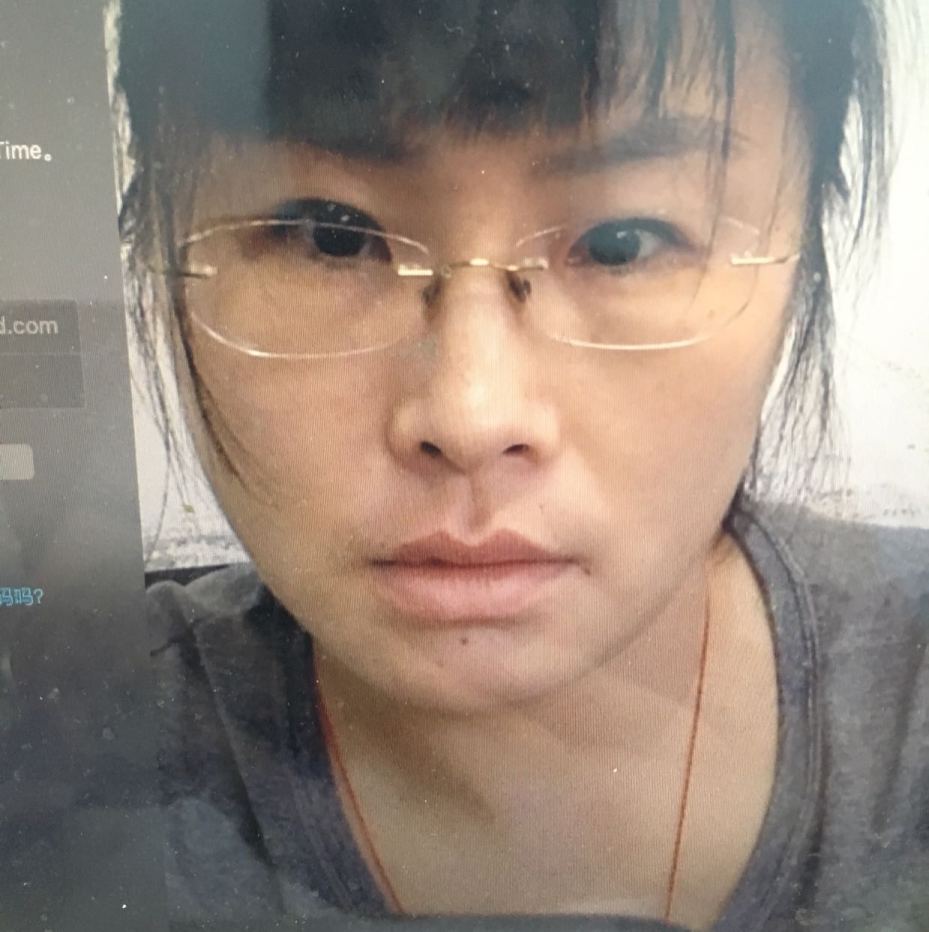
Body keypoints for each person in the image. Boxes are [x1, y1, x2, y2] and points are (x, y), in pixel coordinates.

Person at [115, 1, 928, 929]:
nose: (471, 416)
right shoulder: (71, 747)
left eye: (622, 242)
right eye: (329, 235)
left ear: (804, 258)